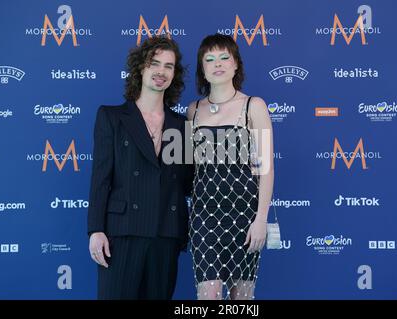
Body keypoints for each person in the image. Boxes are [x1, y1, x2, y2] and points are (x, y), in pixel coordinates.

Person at [87, 36, 192, 300]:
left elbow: (188, 182)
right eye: (154, 63)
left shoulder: (182, 125)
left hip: (165, 234)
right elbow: (101, 178)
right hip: (121, 234)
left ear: (174, 74)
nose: (161, 71)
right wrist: (96, 229)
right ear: (140, 69)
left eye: (169, 66)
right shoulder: (111, 117)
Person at [186, 34, 274, 300]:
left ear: (236, 65)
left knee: (241, 298)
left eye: (225, 57)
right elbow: (190, 165)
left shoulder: (253, 106)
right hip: (204, 214)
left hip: (244, 213)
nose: (218, 64)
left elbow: (266, 169)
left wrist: (261, 219)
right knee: (208, 295)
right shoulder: (193, 110)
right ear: (203, 68)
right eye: (209, 59)